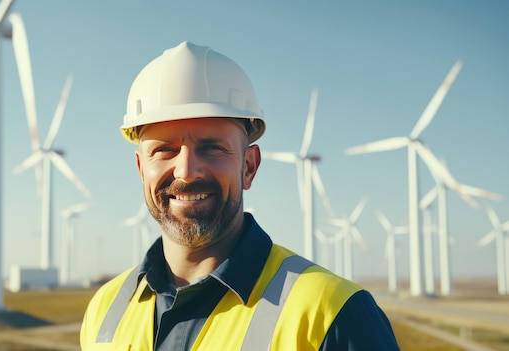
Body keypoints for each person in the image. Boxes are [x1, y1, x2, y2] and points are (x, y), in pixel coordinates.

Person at [80, 41, 400, 350]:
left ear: (249, 166)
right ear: (140, 168)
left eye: (211, 147)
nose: (186, 171)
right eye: (164, 150)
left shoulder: (333, 313)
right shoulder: (104, 310)